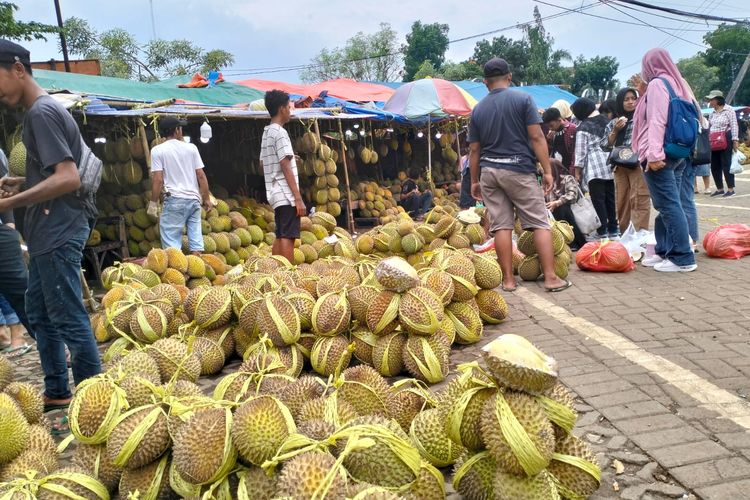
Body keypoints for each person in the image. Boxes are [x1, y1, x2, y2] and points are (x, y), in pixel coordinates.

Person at [0, 39, 101, 407]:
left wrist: (13, 201)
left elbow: (68, 178)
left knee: (68, 315)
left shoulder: (42, 113)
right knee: (41, 312)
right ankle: (57, 391)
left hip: (58, 227)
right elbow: (53, 174)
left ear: (17, 69)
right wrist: (23, 182)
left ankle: (95, 401)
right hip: (49, 229)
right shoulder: (39, 113)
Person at [468, 57, 571, 293]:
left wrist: (474, 181)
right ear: (510, 77)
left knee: (501, 226)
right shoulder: (523, 99)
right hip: (519, 169)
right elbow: (536, 137)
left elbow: (474, 149)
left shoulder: (478, 109)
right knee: (538, 223)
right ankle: (551, 278)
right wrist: (547, 170)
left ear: (485, 82)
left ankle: (508, 281)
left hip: (490, 172)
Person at [632, 47, 698, 272]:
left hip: (660, 154)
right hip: (678, 152)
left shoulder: (658, 84)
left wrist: (654, 155)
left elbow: (657, 120)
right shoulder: (679, 83)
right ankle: (663, 250)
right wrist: (643, 93)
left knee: (668, 205)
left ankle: (682, 258)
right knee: (669, 204)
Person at [148, 117, 212, 253]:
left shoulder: (157, 150)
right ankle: (198, 270)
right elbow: (201, 175)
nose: (181, 130)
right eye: (180, 128)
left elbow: (158, 179)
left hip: (174, 201)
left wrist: (153, 202)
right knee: (196, 240)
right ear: (176, 130)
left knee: (172, 245)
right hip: (194, 200)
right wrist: (206, 198)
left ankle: (179, 272)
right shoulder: (191, 148)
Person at [260, 90, 305, 263]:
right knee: (288, 236)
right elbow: (285, 166)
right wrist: (297, 197)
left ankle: (276, 273)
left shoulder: (267, 132)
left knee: (281, 234)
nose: (290, 110)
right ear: (281, 109)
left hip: (275, 192)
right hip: (286, 194)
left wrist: (291, 158)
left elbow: (264, 163)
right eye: (288, 107)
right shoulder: (280, 133)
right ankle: (287, 275)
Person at [601, 88, 651, 232]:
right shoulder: (614, 122)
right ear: (620, 102)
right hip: (619, 166)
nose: (630, 102)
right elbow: (605, 146)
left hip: (638, 164)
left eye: (633, 98)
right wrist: (615, 130)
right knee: (622, 202)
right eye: (626, 99)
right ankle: (625, 236)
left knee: (639, 200)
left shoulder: (642, 118)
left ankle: (640, 236)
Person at [571, 97, 619, 239]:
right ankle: (614, 229)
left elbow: (580, 152)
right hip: (609, 164)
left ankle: (602, 230)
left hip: (593, 167)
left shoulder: (583, 127)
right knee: (610, 198)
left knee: (598, 200)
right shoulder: (607, 121)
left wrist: (577, 172)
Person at [545, 159, 587, 250]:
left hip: (570, 209)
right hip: (551, 212)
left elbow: (572, 195)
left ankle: (573, 242)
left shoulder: (568, 178)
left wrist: (557, 202)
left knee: (562, 208)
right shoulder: (546, 181)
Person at [705, 90, 739, 197]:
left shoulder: (729, 110)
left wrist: (735, 140)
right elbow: (710, 127)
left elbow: (734, 125)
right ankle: (720, 188)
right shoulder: (712, 113)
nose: (710, 101)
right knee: (714, 165)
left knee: (726, 164)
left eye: (712, 99)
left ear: (718, 100)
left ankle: (730, 188)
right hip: (714, 141)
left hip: (726, 138)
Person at [542, 106, 577, 175]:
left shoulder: (572, 129)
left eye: (551, 125)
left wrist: (572, 172)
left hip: (569, 171)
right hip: (557, 171)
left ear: (559, 119)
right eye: (548, 126)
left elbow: (575, 153)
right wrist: (548, 140)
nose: (550, 128)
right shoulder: (552, 133)